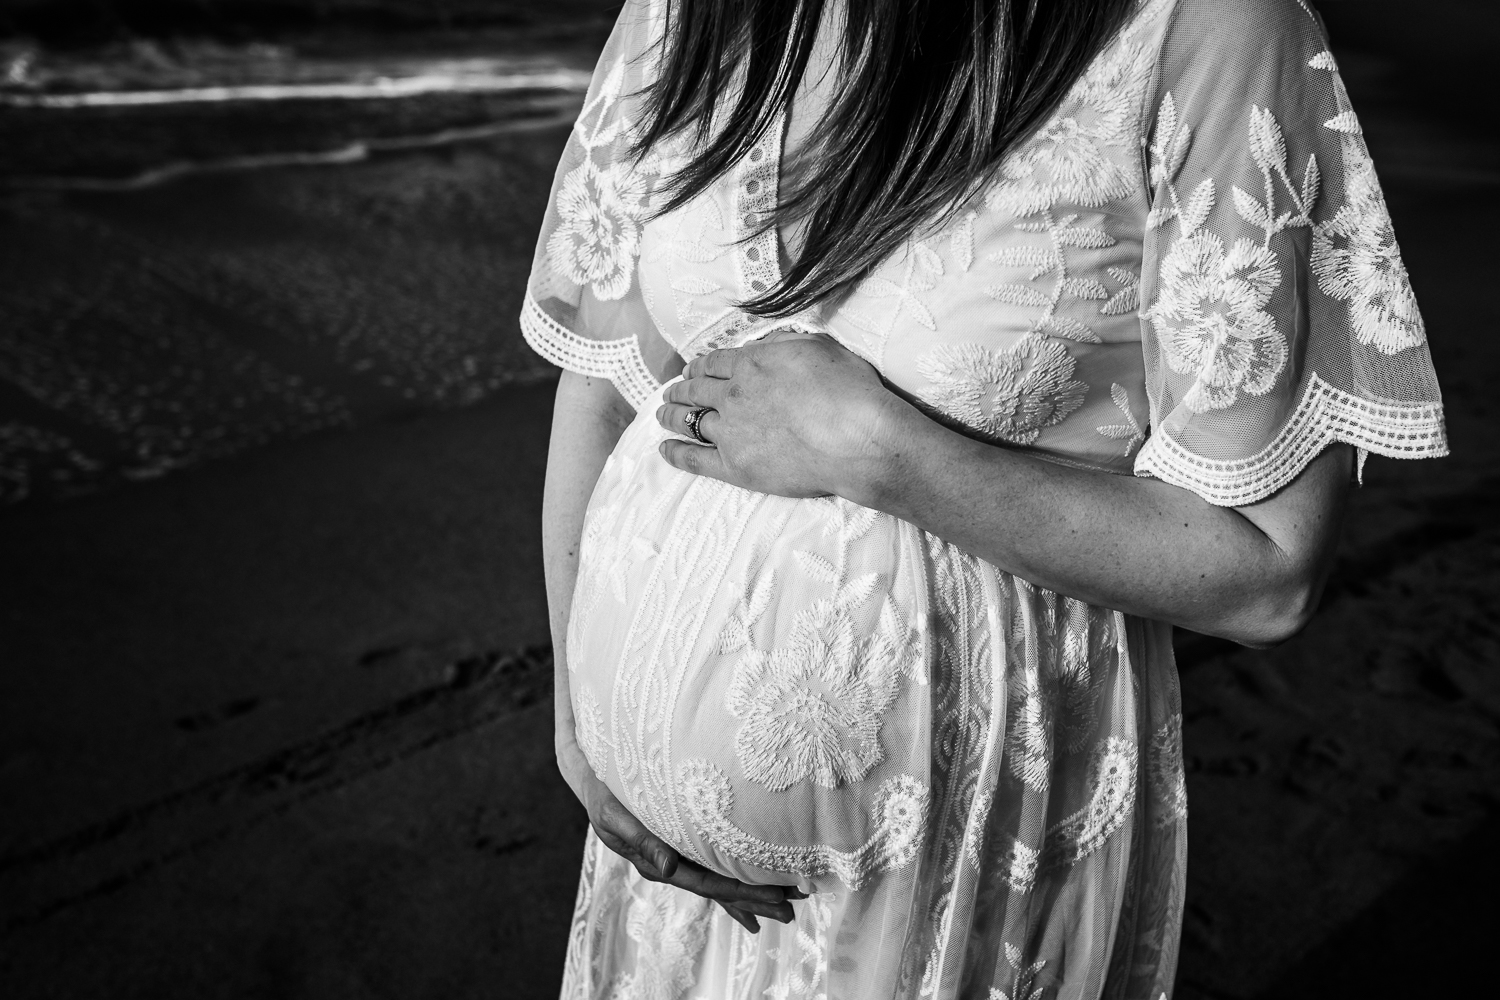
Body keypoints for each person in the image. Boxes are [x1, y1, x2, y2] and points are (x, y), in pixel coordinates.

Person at [527, 0, 1447, 996]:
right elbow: (604, 384)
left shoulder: (1208, 24)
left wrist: (889, 456)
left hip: (952, 864)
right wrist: (580, 730)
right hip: (652, 890)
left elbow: (1268, 571)